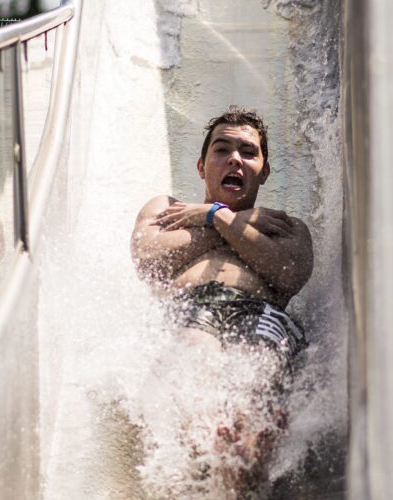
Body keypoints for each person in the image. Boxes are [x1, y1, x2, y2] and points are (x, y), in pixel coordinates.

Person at [130, 106, 314, 494]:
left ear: (263, 171)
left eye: (248, 152)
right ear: (201, 166)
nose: (235, 158)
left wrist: (215, 217)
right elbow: (150, 260)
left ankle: (243, 461)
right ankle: (205, 459)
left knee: (256, 379)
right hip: (189, 308)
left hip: (259, 311)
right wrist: (228, 218)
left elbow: (288, 273)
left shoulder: (286, 226)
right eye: (222, 149)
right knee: (195, 366)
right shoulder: (166, 209)